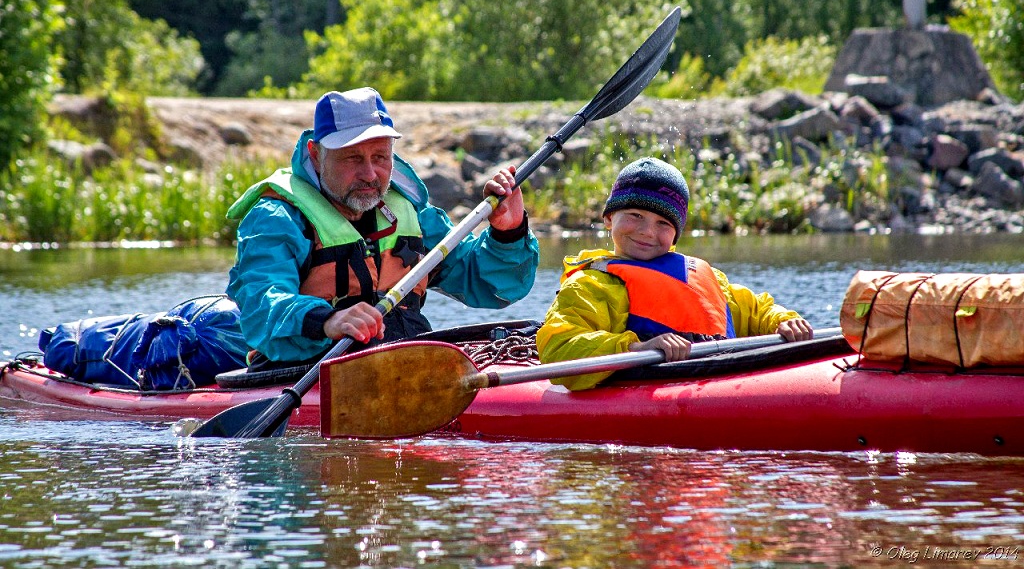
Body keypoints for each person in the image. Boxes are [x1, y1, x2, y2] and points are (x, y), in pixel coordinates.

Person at [226, 87, 540, 370]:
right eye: (352, 158)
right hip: (310, 370)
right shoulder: (275, 218)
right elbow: (261, 301)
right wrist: (327, 321)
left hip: (405, 362)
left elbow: (491, 285)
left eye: (380, 156)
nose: (369, 173)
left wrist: (508, 233)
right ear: (315, 154)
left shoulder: (408, 212)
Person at [536, 157, 813, 390]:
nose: (647, 232)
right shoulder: (591, 284)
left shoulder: (707, 278)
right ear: (609, 218)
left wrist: (784, 322)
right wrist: (636, 348)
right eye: (635, 215)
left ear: (676, 234)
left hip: (717, 384)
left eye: (663, 223)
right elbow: (560, 350)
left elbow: (757, 310)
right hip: (644, 388)